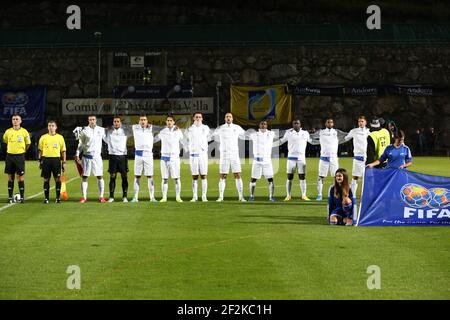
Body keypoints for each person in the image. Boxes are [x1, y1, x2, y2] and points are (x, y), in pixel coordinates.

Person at [212, 112, 246, 202]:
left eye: (230, 116)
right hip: (224, 155)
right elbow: (212, 136)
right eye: (227, 116)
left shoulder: (237, 127)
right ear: (224, 118)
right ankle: (221, 197)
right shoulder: (220, 128)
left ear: (232, 118)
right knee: (223, 175)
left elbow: (245, 135)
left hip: (235, 154)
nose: (228, 118)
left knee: (237, 175)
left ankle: (241, 197)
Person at [74, 115, 107, 203]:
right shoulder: (84, 131)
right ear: (88, 121)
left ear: (96, 120)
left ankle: (101, 197)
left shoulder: (101, 130)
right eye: (90, 120)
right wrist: (77, 154)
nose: (92, 121)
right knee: (84, 176)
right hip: (86, 157)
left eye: (93, 119)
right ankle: (84, 197)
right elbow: (80, 144)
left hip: (97, 157)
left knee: (99, 176)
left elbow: (108, 139)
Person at [277, 118, 311, 201]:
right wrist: (270, 145)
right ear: (292, 125)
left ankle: (303, 195)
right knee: (289, 177)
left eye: (297, 123)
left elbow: (311, 141)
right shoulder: (288, 133)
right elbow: (281, 141)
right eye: (294, 123)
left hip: (301, 159)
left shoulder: (305, 133)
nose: (296, 124)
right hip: (291, 158)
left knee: (302, 177)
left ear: (300, 124)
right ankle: (288, 195)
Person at [156, 115, 185, 202]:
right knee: (164, 179)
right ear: (166, 122)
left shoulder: (178, 131)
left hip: (174, 158)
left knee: (177, 178)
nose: (169, 122)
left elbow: (183, 139)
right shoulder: (162, 132)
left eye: (171, 120)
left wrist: (179, 129)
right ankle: (164, 197)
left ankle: (178, 197)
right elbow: (155, 139)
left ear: (174, 122)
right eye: (168, 120)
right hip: (164, 158)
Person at [3, 114, 31, 203]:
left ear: (20, 121)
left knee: (20, 177)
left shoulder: (24, 132)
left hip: (20, 156)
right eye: (13, 119)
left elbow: (28, 144)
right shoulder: (7, 132)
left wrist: (22, 151)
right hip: (10, 156)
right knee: (10, 177)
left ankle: (22, 197)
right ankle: (10, 197)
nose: (15, 121)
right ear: (12, 121)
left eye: (17, 119)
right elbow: (5, 142)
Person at [104, 116, 132, 202]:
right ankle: (111, 197)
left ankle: (125, 197)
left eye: (118, 121)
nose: (116, 123)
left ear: (120, 123)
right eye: (115, 121)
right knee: (112, 177)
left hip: (122, 157)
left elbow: (136, 129)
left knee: (124, 177)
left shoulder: (125, 132)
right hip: (112, 157)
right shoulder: (108, 132)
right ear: (113, 123)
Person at [247, 120, 277, 202]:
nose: (263, 125)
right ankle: (251, 196)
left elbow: (282, 133)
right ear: (259, 125)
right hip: (257, 160)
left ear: (267, 125)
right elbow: (243, 135)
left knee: (270, 179)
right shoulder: (254, 135)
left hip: (267, 160)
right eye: (262, 124)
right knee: (253, 179)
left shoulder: (271, 134)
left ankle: (271, 196)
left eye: (265, 124)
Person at [38, 120, 66, 204]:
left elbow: (63, 151)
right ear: (47, 127)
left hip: (56, 160)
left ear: (56, 127)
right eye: (49, 125)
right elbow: (40, 150)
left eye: (52, 125)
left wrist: (64, 162)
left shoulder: (60, 137)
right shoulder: (43, 137)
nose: (51, 127)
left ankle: (58, 198)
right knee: (46, 179)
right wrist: (39, 161)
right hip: (46, 160)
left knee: (57, 179)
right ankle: (46, 198)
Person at [185, 112, 211, 202]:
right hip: (193, 155)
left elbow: (209, 138)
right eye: (196, 117)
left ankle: (204, 196)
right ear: (193, 118)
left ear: (202, 118)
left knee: (204, 176)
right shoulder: (189, 129)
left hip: (203, 155)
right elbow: (185, 140)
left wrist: (204, 147)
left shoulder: (206, 128)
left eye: (200, 117)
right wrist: (188, 148)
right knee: (194, 176)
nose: (198, 118)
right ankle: (195, 196)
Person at [131, 114, 157, 202]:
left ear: (147, 121)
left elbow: (162, 128)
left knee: (150, 176)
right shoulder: (135, 128)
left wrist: (174, 127)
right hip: (138, 155)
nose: (143, 121)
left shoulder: (151, 128)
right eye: (141, 120)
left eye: (144, 120)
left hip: (148, 155)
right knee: (137, 176)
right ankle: (135, 197)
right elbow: (124, 126)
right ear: (139, 121)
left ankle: (152, 197)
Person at [343, 116, 370, 196]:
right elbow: (346, 138)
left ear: (366, 122)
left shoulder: (369, 132)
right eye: (359, 121)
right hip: (357, 157)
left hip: (367, 158)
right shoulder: (354, 131)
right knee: (355, 177)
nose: (360, 123)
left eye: (362, 121)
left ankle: (365, 195)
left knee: (367, 178)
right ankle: (352, 195)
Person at [316, 118, 339, 201]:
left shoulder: (336, 132)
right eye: (328, 122)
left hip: (333, 158)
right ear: (325, 124)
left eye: (331, 122)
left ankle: (335, 194)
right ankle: (319, 194)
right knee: (321, 176)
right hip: (323, 158)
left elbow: (346, 136)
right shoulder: (321, 132)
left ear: (333, 124)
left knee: (336, 177)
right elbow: (311, 136)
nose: (330, 123)